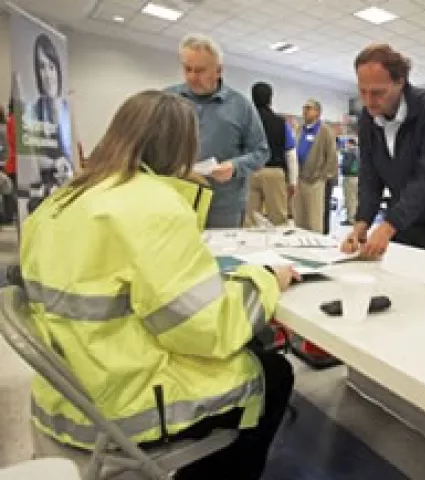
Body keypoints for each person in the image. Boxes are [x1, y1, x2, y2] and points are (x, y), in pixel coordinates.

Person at [19, 90, 296, 480]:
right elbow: (206, 328)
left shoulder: (59, 201)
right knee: (275, 372)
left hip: (69, 394)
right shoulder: (154, 206)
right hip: (129, 404)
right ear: (182, 148)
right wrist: (265, 279)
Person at [341, 44, 425, 269]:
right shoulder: (368, 118)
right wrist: (362, 223)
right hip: (408, 216)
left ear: (400, 82)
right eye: (362, 91)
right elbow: (370, 176)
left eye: (377, 92)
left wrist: (388, 226)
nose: (368, 101)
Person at [166, 34, 269, 228]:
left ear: (219, 70)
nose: (191, 77)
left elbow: (261, 152)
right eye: (187, 69)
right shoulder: (167, 99)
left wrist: (235, 167)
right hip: (175, 200)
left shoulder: (240, 106)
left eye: (200, 70)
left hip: (223, 206)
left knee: (221, 257)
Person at [23, 34, 73, 192]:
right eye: (42, 67)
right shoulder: (32, 111)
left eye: (51, 67)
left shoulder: (67, 109)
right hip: (45, 188)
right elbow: (29, 158)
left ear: (58, 69)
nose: (48, 75)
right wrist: (54, 163)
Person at [245, 82, 298, 227]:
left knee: (249, 218)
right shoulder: (281, 123)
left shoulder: (246, 121)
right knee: (278, 217)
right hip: (274, 172)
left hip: (250, 171)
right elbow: (290, 153)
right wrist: (293, 181)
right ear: (270, 98)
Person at [293, 98, 338, 233]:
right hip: (300, 179)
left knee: (314, 218)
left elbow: (331, 156)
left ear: (318, 112)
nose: (304, 111)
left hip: (316, 180)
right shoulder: (299, 129)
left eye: (308, 108)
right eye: (304, 108)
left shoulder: (325, 131)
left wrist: (323, 176)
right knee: (300, 218)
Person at [341, 137, 359, 225]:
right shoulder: (359, 152)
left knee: (349, 199)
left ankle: (350, 219)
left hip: (349, 177)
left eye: (347, 143)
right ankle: (355, 217)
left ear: (350, 143)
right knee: (355, 199)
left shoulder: (350, 152)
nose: (346, 145)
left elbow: (346, 166)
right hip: (357, 177)